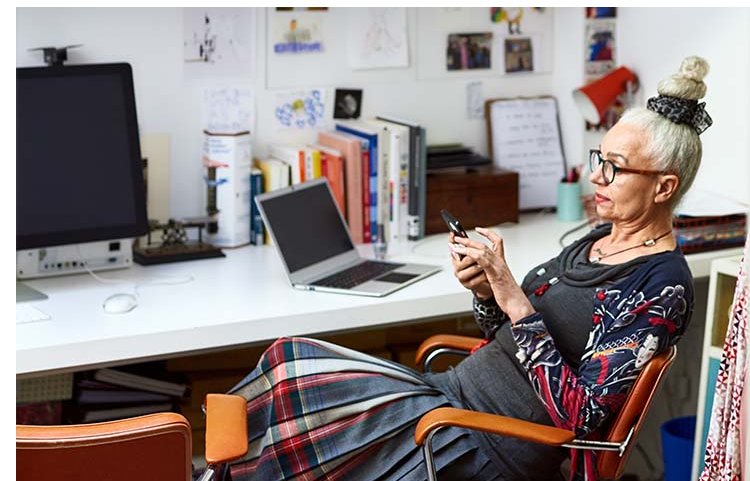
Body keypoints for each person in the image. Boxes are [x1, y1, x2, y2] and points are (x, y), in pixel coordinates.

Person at [223, 55, 711, 481]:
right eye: (597, 159)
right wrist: (486, 292)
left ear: (664, 187)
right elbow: (514, 338)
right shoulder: (598, 240)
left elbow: (580, 416)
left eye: (615, 167)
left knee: (299, 427)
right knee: (288, 365)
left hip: (483, 441)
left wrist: (513, 295)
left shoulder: (662, 285)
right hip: (450, 396)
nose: (595, 176)